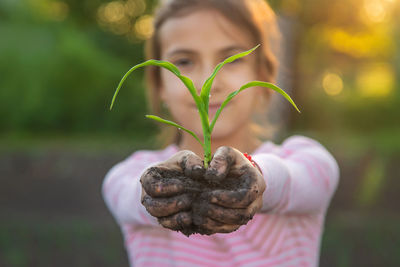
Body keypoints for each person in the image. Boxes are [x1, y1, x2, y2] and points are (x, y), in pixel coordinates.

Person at [102, 0, 339, 266]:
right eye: (183, 61)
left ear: (264, 76)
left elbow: (302, 179)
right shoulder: (131, 173)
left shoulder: (304, 159)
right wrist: (161, 189)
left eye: (231, 59)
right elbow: (130, 197)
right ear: (159, 86)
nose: (207, 82)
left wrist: (256, 177)